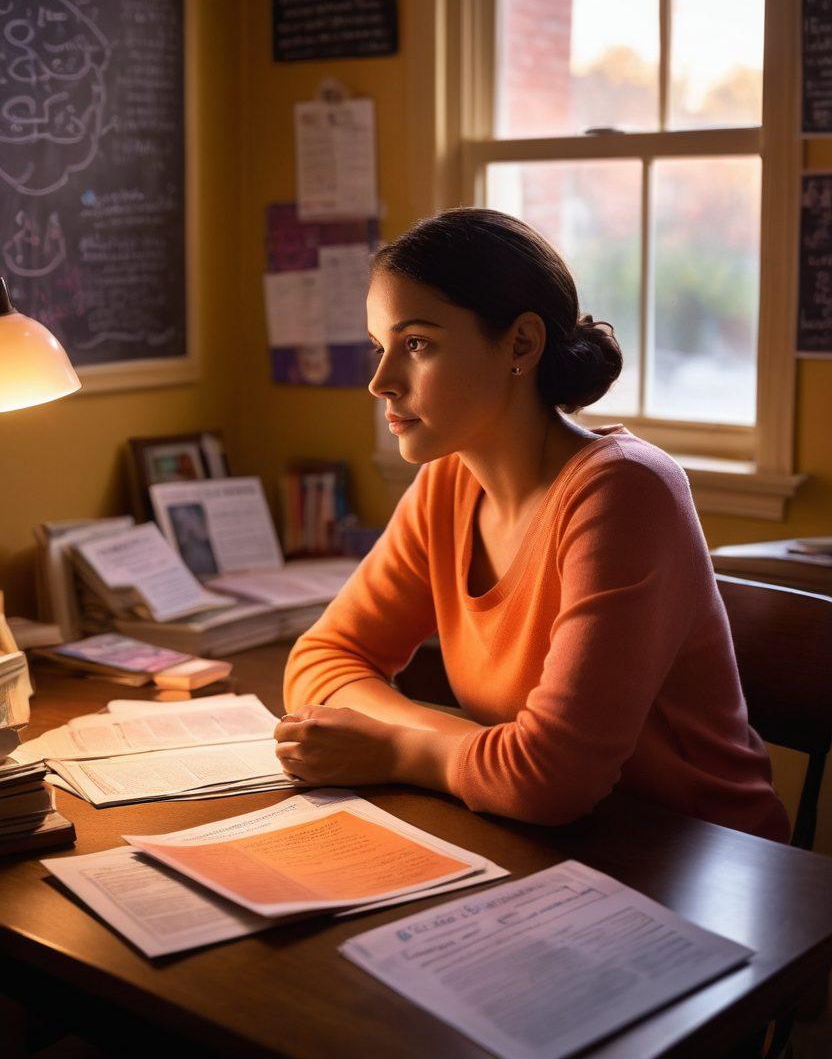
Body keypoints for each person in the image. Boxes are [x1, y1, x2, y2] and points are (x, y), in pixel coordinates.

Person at [277, 208, 789, 841]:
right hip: (545, 840)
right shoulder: (447, 481)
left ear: (520, 344)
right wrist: (479, 752)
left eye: (416, 344)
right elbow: (322, 661)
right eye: (381, 348)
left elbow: (550, 776)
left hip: (701, 860)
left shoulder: (625, 492)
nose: (381, 382)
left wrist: (393, 750)